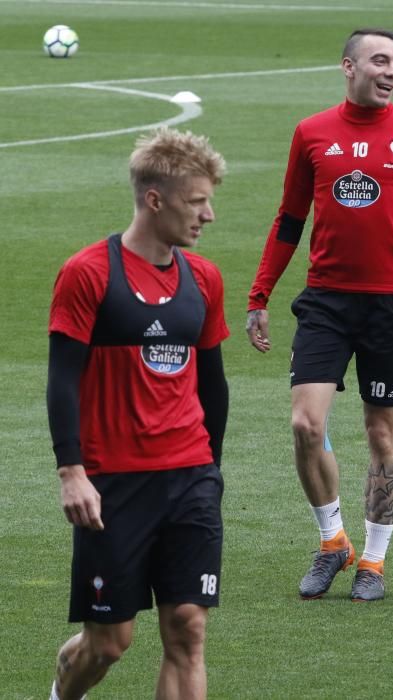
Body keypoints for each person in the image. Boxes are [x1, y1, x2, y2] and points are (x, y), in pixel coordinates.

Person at [246, 28, 393, 602]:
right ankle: (331, 540)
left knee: (382, 438)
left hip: (389, 304)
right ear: (349, 66)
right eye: (380, 61)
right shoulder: (312, 132)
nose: (392, 71)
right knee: (305, 424)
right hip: (325, 301)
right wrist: (259, 296)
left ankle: (374, 559)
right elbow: (289, 218)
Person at [46, 126, 229, 699]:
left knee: (188, 629)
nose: (209, 215)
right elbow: (62, 381)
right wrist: (72, 473)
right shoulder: (89, 273)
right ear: (156, 199)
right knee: (108, 644)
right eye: (197, 201)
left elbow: (213, 386)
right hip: (113, 484)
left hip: (190, 476)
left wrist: (211, 473)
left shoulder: (204, 278)